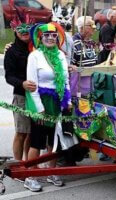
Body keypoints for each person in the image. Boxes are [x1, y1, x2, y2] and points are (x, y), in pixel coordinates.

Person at [25, 22, 71, 192]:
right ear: (40, 38)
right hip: (40, 101)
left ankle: (51, 172)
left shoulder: (60, 55)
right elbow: (32, 85)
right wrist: (39, 109)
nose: (51, 38)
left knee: (54, 140)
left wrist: (67, 101)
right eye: (46, 35)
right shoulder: (34, 56)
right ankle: (30, 176)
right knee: (37, 140)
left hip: (57, 101)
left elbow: (65, 80)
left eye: (53, 35)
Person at [4, 8, 36, 162]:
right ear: (15, 30)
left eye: (28, 28)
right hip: (21, 96)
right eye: (20, 29)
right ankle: (18, 164)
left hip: (37, 97)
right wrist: (22, 83)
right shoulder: (11, 51)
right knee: (21, 132)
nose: (25, 31)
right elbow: (9, 76)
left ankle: (27, 162)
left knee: (31, 132)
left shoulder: (37, 48)